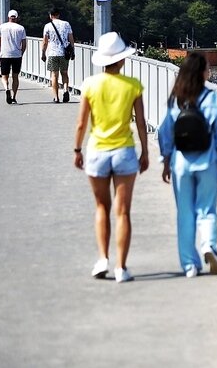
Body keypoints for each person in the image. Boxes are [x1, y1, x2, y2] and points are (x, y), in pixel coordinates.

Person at [73, 32, 148, 283]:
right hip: (124, 151)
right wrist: (145, 152)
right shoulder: (133, 85)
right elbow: (140, 124)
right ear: (122, 60)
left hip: (97, 150)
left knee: (101, 208)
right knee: (123, 212)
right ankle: (121, 268)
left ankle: (103, 259)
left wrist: (77, 150)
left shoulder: (90, 85)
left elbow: (82, 123)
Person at [158, 52, 217, 277]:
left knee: (185, 213)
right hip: (208, 162)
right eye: (207, 69)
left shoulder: (176, 99)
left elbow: (165, 134)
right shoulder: (212, 99)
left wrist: (166, 161)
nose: (209, 72)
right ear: (201, 73)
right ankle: (209, 245)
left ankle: (190, 265)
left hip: (181, 163)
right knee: (206, 210)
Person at [41, 7, 75, 103]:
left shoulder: (47, 26)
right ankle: (65, 90)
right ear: (59, 15)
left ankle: (56, 97)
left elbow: (45, 42)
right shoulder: (66, 24)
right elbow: (71, 39)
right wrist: (73, 51)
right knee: (64, 73)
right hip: (64, 53)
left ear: (51, 16)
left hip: (52, 53)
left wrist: (43, 53)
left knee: (54, 76)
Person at [0, 10, 27, 104]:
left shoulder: (2, 27)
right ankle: (14, 97)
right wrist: (21, 53)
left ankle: (6, 89)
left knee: (4, 76)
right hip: (17, 55)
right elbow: (24, 44)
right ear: (16, 17)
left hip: (4, 54)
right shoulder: (21, 28)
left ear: (8, 17)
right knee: (15, 76)